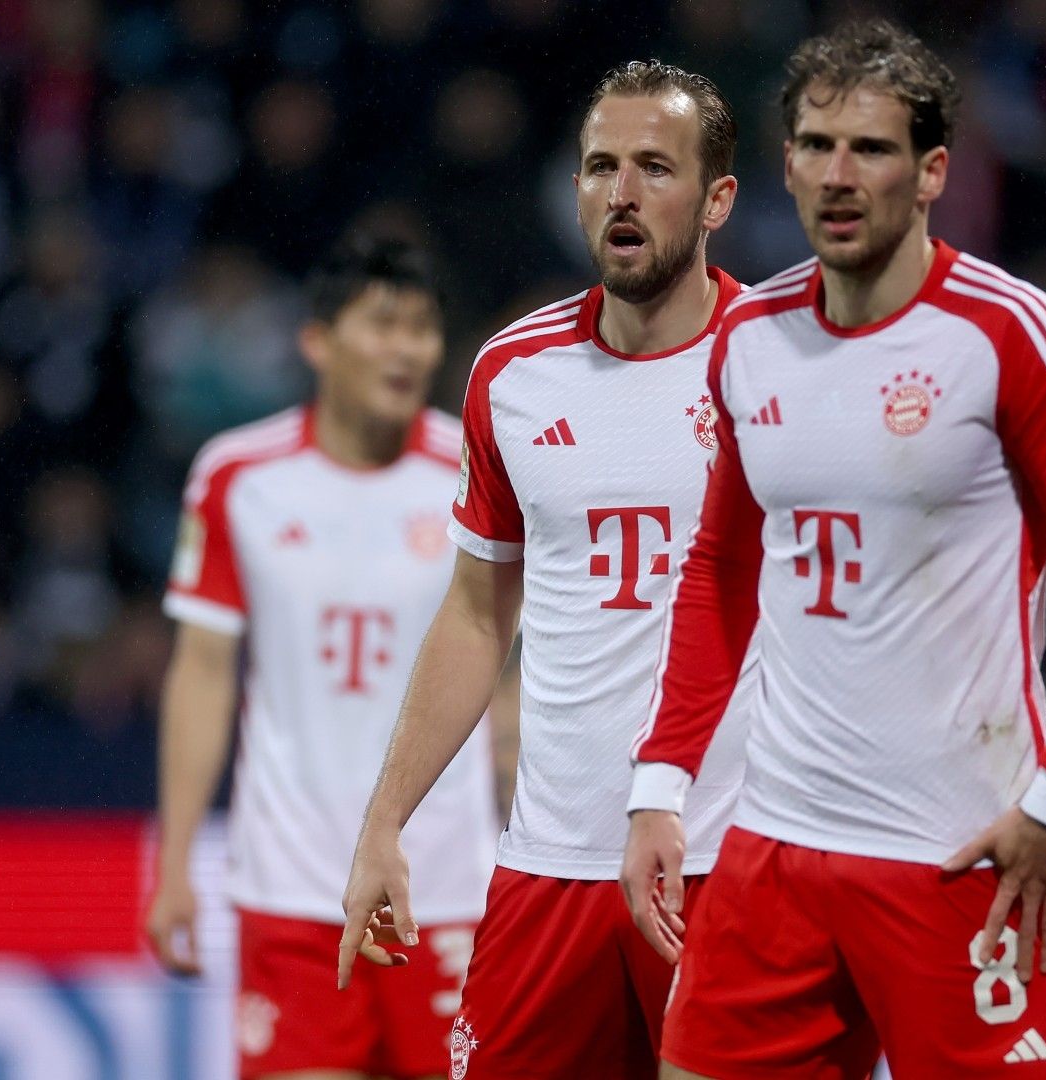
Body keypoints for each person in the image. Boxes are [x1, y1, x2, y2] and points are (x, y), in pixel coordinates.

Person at [621, 20, 1046, 1079]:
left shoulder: (1018, 336)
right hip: (773, 850)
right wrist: (663, 781)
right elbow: (720, 569)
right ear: (783, 161)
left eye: (871, 149)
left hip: (961, 852)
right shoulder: (749, 338)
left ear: (931, 173)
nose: (839, 175)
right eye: (817, 145)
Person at [336, 62, 746, 1080]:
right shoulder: (511, 375)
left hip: (727, 864)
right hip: (548, 872)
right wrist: (386, 820)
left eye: (655, 166)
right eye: (601, 166)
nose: (622, 191)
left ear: (718, 198)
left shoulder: (784, 359)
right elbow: (478, 613)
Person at [148, 234, 502, 1080]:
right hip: (292, 887)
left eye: (421, 328)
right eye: (382, 325)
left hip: (445, 888)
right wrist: (173, 866)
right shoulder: (239, 476)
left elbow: (514, 657)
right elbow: (201, 673)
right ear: (317, 342)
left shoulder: (478, 465)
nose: (406, 348)